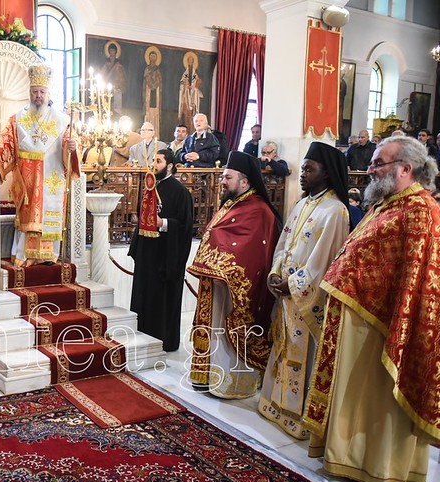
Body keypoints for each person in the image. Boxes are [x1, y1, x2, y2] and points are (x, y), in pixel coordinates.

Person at [304, 136, 440, 482]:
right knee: (353, 394)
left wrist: (400, 325)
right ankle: (346, 456)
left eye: (378, 163)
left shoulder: (421, 210)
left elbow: (417, 279)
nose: (369, 170)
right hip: (358, 319)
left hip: (381, 324)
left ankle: (374, 465)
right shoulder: (388, 204)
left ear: (405, 168)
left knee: (374, 399)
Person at [259, 141, 350, 439]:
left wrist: (292, 284)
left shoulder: (335, 211)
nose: (303, 174)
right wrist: (276, 272)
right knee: (282, 348)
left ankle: (297, 417)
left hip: (305, 298)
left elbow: (325, 261)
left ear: (327, 173)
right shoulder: (302, 204)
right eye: (303, 169)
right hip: (286, 293)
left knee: (303, 354)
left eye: (309, 170)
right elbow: (284, 243)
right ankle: (274, 404)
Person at [188, 151, 280, 398]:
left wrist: (222, 269)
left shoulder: (259, 210)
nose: (222, 181)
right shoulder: (232, 204)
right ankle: (206, 376)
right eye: (223, 177)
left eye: (228, 177)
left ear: (245, 181)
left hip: (234, 288)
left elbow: (252, 252)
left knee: (227, 336)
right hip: (215, 282)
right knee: (213, 330)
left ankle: (231, 384)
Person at [0, 65, 80, 267]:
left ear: (48, 93)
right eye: (34, 92)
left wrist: (72, 147)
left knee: (46, 216)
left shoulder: (61, 120)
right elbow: (5, 141)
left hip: (51, 175)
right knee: (28, 217)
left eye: (41, 92)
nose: (38, 96)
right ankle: (25, 256)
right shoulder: (19, 118)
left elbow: (69, 143)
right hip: (27, 178)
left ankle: (48, 256)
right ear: (30, 93)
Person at [128, 148, 193, 352]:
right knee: (144, 296)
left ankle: (163, 341)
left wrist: (163, 223)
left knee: (162, 301)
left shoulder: (180, 192)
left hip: (166, 256)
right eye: (153, 161)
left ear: (170, 166)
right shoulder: (150, 186)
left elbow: (185, 227)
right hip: (147, 253)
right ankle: (142, 338)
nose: (154, 165)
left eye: (159, 161)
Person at [99, 41, 127, 115]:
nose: (112, 52)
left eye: (113, 50)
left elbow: (121, 75)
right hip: (107, 86)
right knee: (107, 105)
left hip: (116, 86)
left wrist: (119, 83)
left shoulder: (118, 63)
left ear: (116, 52)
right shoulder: (106, 63)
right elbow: (102, 73)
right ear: (108, 51)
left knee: (117, 107)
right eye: (110, 50)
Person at [178, 51, 202, 130]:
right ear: (187, 62)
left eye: (192, 61)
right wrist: (186, 86)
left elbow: (198, 82)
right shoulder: (185, 73)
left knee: (193, 113)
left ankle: (192, 128)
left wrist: (193, 87)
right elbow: (182, 82)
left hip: (193, 96)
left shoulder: (195, 73)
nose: (191, 62)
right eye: (189, 61)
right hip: (186, 95)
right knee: (186, 112)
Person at [143, 47, 162, 135]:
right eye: (151, 56)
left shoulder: (157, 69)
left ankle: (155, 132)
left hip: (156, 92)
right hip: (148, 92)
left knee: (155, 110)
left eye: (154, 56)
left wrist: (154, 84)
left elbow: (159, 80)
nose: (153, 58)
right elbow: (145, 79)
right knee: (148, 110)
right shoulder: (147, 69)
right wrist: (150, 83)